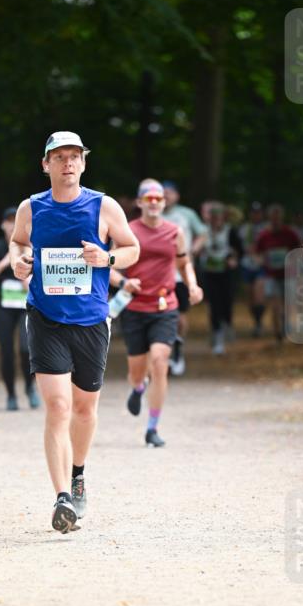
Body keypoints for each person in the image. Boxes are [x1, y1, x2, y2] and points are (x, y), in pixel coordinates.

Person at [9, 131, 139, 534]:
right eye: (59, 156)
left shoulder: (104, 206)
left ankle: (78, 472)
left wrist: (108, 256)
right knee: (59, 407)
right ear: (45, 164)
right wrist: (18, 262)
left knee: (84, 410)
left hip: (91, 321)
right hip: (46, 318)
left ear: (83, 163)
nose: (67, 163)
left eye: (74, 156)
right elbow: (16, 244)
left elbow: (132, 249)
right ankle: (62, 496)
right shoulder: (31, 208)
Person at [112, 178, 203, 447]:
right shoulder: (127, 231)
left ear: (164, 203)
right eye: (148, 199)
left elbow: (185, 263)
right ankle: (138, 388)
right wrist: (123, 282)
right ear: (139, 203)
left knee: (160, 361)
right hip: (135, 307)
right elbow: (107, 265)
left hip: (165, 306)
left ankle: (152, 427)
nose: (154, 203)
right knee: (137, 372)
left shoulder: (175, 232)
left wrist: (193, 285)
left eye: (158, 199)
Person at [0, 207, 38, 411]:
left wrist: (27, 280)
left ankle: (30, 387)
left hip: (26, 307)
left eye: (17, 221)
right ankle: (11, 394)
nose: (13, 225)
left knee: (26, 348)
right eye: (9, 221)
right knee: (6, 352)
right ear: (3, 225)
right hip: (3, 308)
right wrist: (5, 263)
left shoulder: (31, 246)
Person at [161, 180, 208, 375]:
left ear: (177, 196)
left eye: (170, 192)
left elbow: (203, 233)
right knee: (160, 315)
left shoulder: (186, 214)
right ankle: (161, 354)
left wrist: (193, 250)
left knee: (180, 316)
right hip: (159, 275)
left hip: (181, 273)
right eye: (163, 193)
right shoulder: (154, 215)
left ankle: (178, 349)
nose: (166, 196)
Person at [198, 201, 242, 355]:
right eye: (214, 217)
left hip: (226, 273)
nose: (217, 220)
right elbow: (196, 249)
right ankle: (217, 335)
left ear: (224, 218)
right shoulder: (204, 232)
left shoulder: (231, 231)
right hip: (209, 273)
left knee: (227, 302)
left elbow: (240, 250)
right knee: (214, 304)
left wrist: (234, 259)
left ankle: (227, 324)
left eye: (219, 217)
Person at [253, 203, 301, 340]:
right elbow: (257, 253)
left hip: (288, 275)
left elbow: (299, 250)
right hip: (271, 275)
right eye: (273, 218)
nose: (275, 220)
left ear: (281, 218)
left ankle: (286, 324)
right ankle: (277, 333)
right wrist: (261, 260)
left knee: (288, 303)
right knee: (275, 304)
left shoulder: (290, 233)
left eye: (278, 218)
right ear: (269, 218)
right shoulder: (264, 235)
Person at [239, 201, 267, 336]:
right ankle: (256, 321)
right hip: (246, 264)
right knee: (250, 297)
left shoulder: (266, 228)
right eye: (253, 212)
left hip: (261, 265)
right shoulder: (244, 229)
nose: (256, 215)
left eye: (258, 212)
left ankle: (259, 322)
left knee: (259, 295)